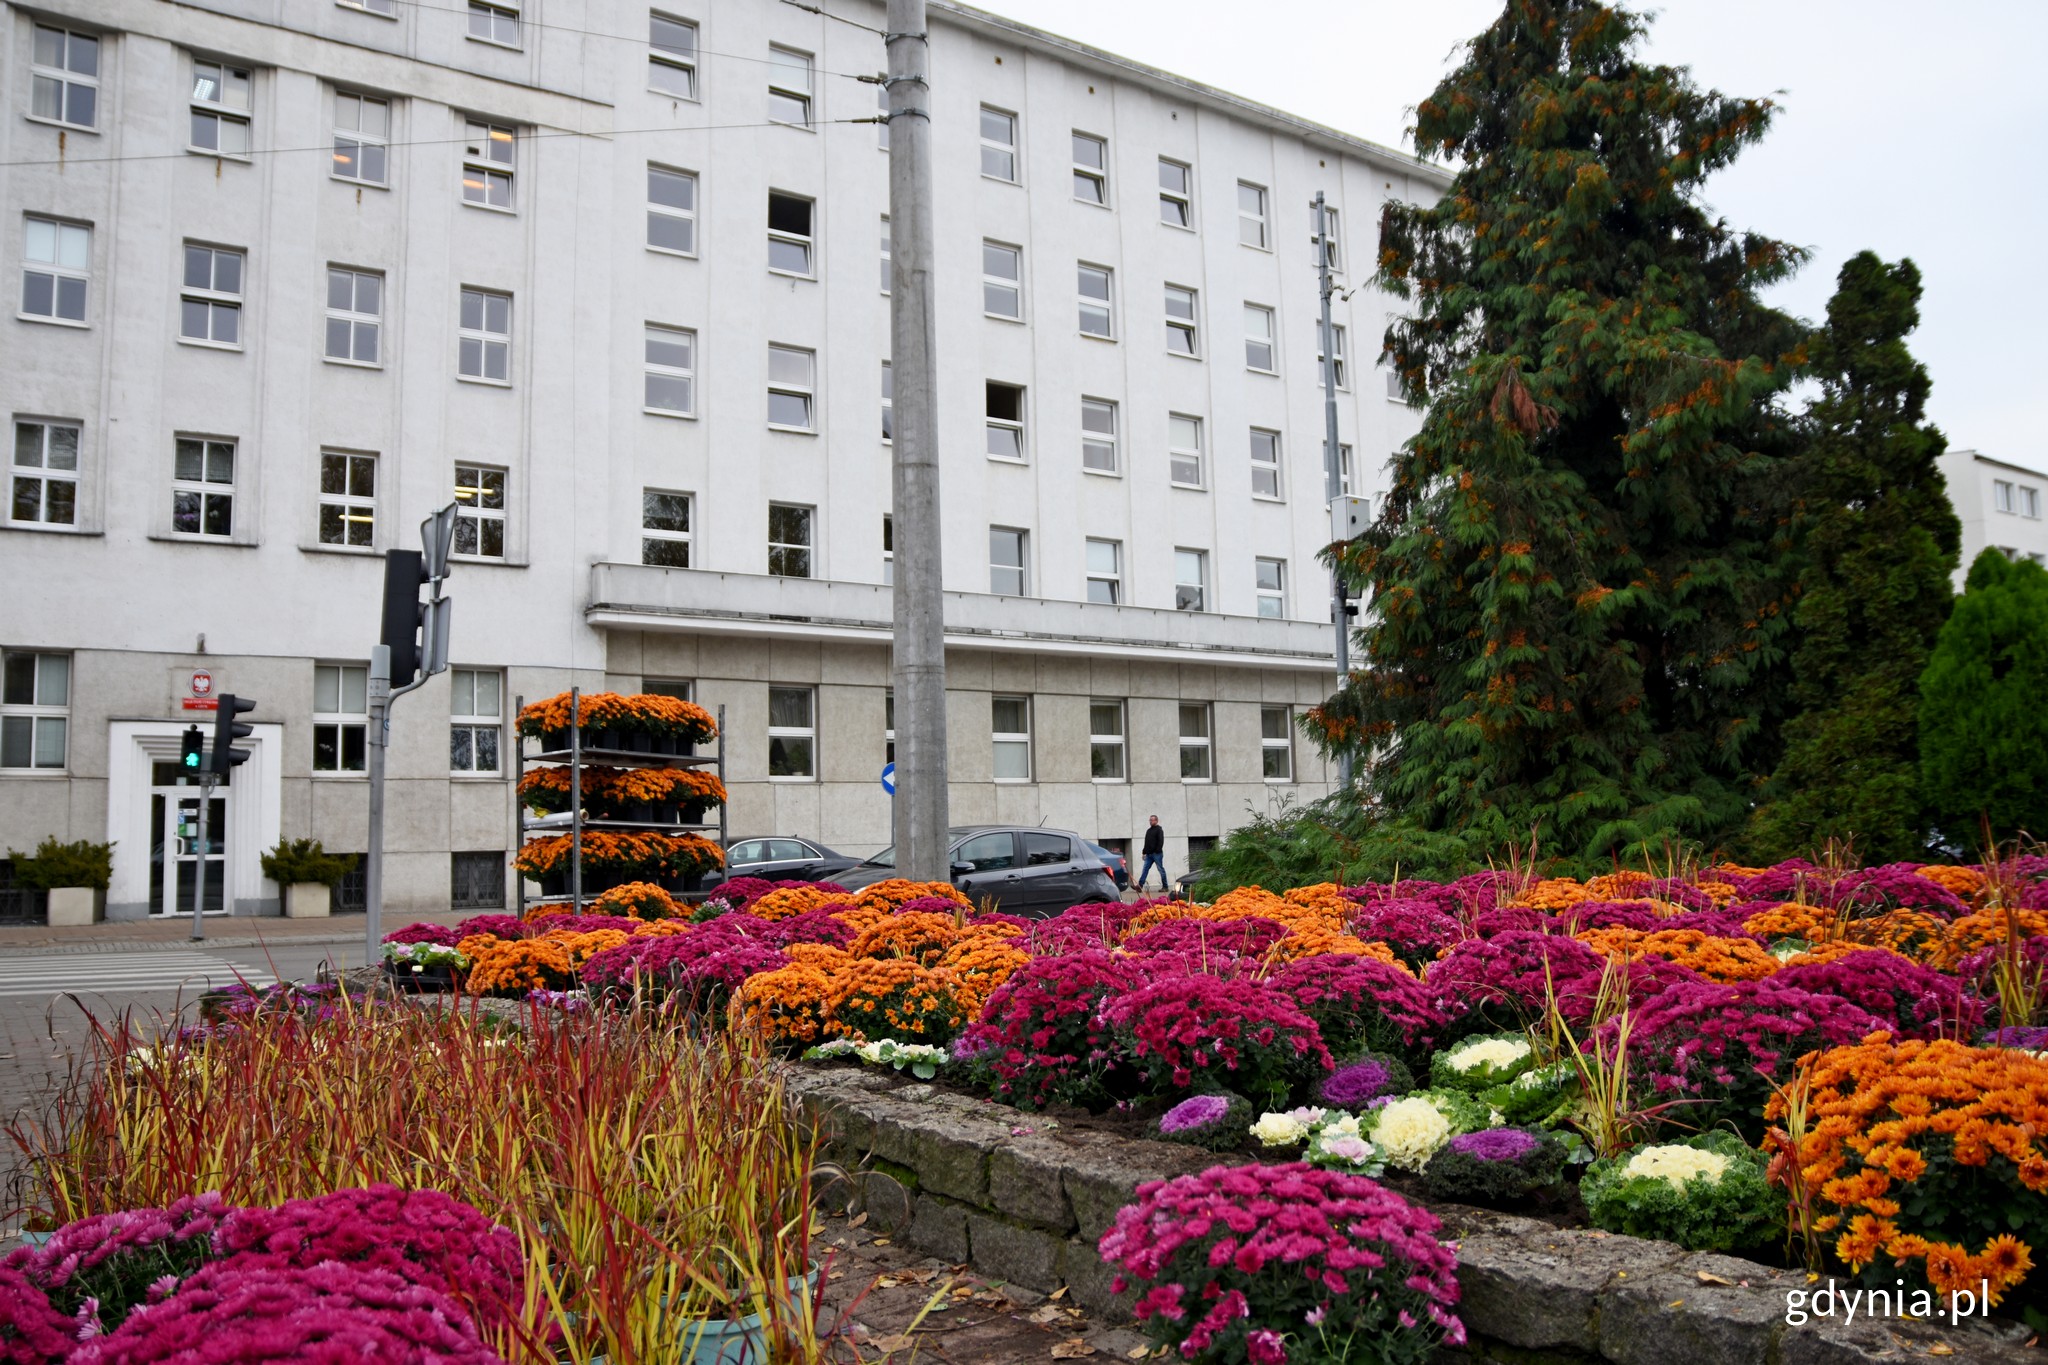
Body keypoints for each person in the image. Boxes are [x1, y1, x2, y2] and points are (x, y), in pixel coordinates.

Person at [1136, 815, 1168, 894]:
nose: (1151, 822)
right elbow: (1146, 842)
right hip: (1149, 854)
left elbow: (1161, 841)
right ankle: (1140, 886)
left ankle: (1165, 886)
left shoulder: (1159, 830)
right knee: (1145, 869)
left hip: (1157, 854)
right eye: (1150, 820)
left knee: (1160, 869)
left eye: (1152, 820)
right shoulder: (1148, 831)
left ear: (1156, 821)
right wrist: (1144, 852)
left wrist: (1157, 850)